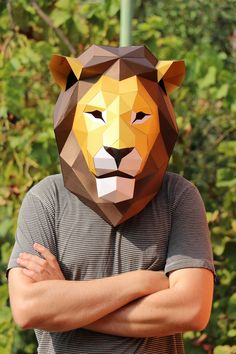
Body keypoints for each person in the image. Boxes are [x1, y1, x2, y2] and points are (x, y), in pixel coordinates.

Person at [7, 45, 215, 354]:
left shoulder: (178, 197)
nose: (118, 142)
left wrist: (66, 301)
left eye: (140, 117)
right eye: (96, 115)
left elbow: (191, 310)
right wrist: (143, 282)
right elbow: (28, 309)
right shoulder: (46, 199)